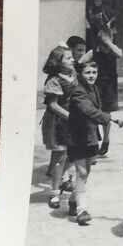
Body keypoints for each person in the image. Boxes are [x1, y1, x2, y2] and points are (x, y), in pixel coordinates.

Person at [65, 59, 123, 226]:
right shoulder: (78, 91)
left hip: (90, 136)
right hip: (77, 137)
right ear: (81, 74)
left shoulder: (94, 88)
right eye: (88, 72)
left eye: (94, 72)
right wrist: (112, 118)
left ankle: (74, 200)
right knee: (81, 172)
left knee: (85, 172)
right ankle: (82, 210)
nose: (91, 76)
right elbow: (89, 110)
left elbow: (96, 110)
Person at [40, 45, 76, 209]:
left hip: (71, 121)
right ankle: (54, 192)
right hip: (57, 122)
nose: (72, 60)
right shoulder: (54, 80)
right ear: (58, 62)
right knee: (59, 156)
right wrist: (71, 117)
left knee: (71, 153)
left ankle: (63, 179)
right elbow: (53, 105)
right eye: (68, 58)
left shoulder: (73, 75)